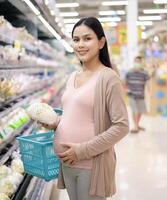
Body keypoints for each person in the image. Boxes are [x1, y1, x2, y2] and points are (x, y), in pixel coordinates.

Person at [43, 17, 129, 200]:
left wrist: (81, 150)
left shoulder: (108, 78)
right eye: (76, 39)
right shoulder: (72, 76)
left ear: (101, 42)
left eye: (87, 39)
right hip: (67, 163)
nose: (80, 44)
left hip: (91, 165)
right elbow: (75, 116)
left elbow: (121, 126)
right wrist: (55, 122)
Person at [125, 56, 150, 133]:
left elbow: (148, 83)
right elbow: (125, 83)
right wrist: (125, 90)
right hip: (131, 95)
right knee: (134, 110)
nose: (136, 63)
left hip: (141, 95)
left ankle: (137, 125)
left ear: (141, 63)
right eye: (135, 61)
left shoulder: (145, 73)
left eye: (138, 61)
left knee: (139, 111)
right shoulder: (129, 72)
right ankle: (135, 126)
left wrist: (150, 92)